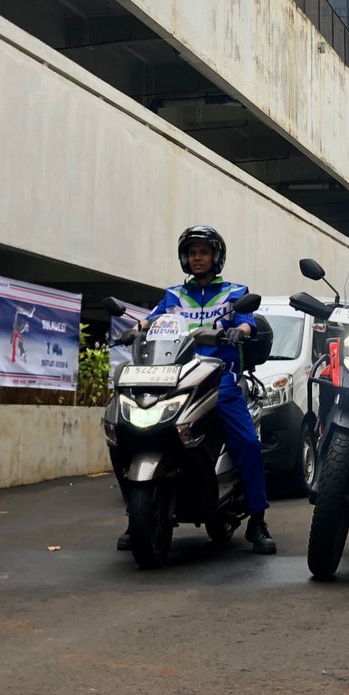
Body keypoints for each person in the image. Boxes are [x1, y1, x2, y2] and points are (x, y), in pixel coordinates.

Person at [121, 225, 275, 555]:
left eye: (204, 252)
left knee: (247, 442)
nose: (197, 258)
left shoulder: (234, 291)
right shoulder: (173, 295)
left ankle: (258, 520)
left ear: (215, 257)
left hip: (221, 381)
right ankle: (136, 516)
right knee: (134, 432)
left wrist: (242, 331)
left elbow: (248, 319)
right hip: (175, 380)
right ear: (184, 259)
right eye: (192, 253)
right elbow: (150, 321)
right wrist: (131, 331)